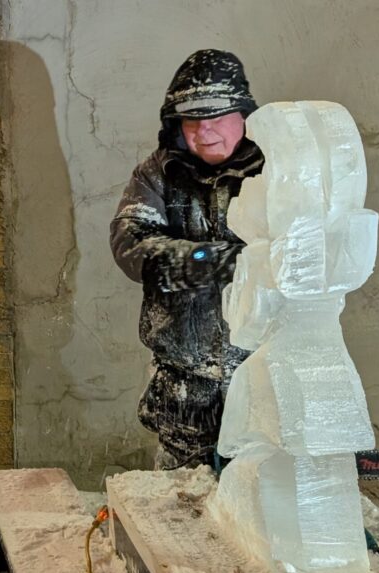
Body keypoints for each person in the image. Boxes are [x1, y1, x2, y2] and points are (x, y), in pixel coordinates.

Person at [109, 49, 264, 471]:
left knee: (256, 505)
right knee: (180, 505)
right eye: (191, 120)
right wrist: (211, 260)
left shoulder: (274, 171)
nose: (204, 130)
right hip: (184, 385)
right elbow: (131, 243)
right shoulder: (156, 174)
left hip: (262, 380)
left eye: (216, 116)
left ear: (243, 114)